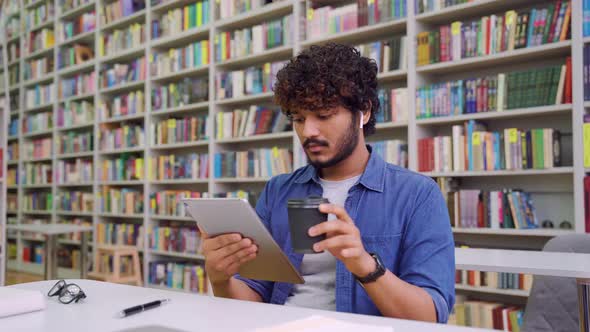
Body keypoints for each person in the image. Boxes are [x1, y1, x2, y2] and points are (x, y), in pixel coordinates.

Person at [201, 43, 455, 323]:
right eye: (298, 118)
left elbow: (430, 318)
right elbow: (253, 301)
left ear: (364, 112)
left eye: (323, 115)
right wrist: (221, 277)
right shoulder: (278, 190)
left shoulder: (418, 195)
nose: (308, 131)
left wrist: (363, 263)